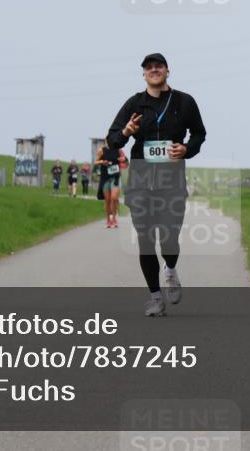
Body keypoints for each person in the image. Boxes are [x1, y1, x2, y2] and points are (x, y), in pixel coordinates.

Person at [107, 53, 206, 317]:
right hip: (141, 180)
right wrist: (126, 132)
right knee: (146, 240)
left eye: (158, 66)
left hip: (171, 179)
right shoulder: (134, 104)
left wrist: (187, 149)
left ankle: (170, 270)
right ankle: (155, 298)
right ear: (143, 74)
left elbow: (199, 133)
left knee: (169, 238)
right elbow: (112, 139)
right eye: (148, 67)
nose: (154, 70)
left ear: (167, 71)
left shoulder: (185, 102)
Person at [95, 143, 122, 228]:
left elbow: (125, 161)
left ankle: (114, 218)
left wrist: (123, 160)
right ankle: (108, 220)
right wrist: (102, 162)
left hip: (115, 177)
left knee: (114, 198)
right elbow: (95, 162)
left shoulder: (118, 150)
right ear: (106, 141)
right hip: (105, 178)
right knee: (107, 200)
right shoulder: (102, 150)